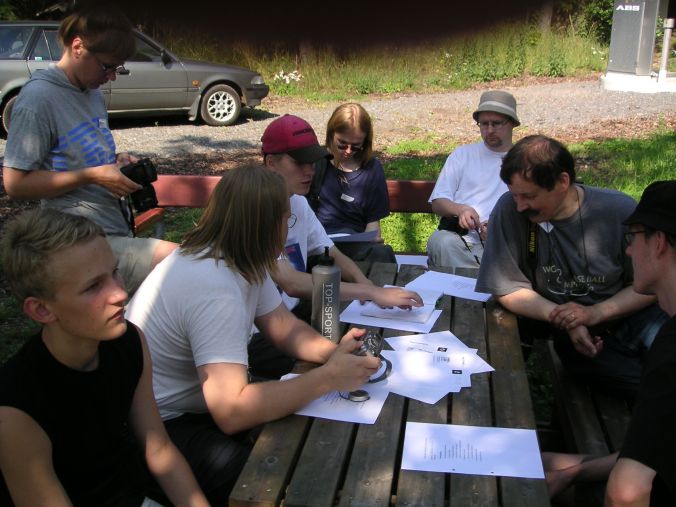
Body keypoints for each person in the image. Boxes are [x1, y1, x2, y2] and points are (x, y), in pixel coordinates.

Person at [126, 165, 382, 505]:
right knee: (273, 479)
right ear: (267, 224)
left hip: (194, 409)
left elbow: (283, 326)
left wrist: (332, 354)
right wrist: (328, 377)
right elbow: (232, 412)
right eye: (287, 219)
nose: (287, 227)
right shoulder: (213, 286)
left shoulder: (237, 257)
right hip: (161, 427)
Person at [0, 209, 209, 507]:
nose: (119, 294)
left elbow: (159, 449)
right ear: (42, 310)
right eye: (93, 286)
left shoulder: (127, 342)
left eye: (115, 272)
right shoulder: (16, 407)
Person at [1, 5, 176, 295]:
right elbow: (15, 184)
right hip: (76, 244)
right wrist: (92, 175)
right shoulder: (38, 99)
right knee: (181, 263)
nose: (112, 77)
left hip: (113, 230)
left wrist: (116, 161)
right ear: (78, 47)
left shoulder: (92, 92)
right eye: (108, 66)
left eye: (118, 68)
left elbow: (82, 156)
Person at [475, 135, 667, 397]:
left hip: (626, 317)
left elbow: (650, 286)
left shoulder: (618, 211)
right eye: (514, 195)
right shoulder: (509, 210)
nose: (519, 206)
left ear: (563, 182)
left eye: (529, 196)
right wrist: (568, 319)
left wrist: (596, 313)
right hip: (563, 331)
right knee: (585, 361)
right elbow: (506, 288)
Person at [543, 180, 676, 506]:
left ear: (659, 242)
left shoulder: (671, 351)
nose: (628, 250)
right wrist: (575, 470)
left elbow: (627, 492)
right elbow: (659, 448)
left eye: (633, 237)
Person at [261, 113, 423, 316]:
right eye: (300, 163)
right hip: (261, 327)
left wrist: (367, 285)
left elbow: (332, 252)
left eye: (312, 162)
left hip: (289, 315)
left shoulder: (298, 202)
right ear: (271, 163)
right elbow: (291, 283)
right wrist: (371, 292)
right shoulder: (253, 208)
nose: (310, 171)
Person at [426, 90, 517, 269]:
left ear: (512, 123)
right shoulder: (462, 155)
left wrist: (499, 229)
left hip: (505, 245)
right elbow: (438, 202)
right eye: (484, 124)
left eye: (496, 123)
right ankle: (483, 278)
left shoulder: (524, 160)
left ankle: (475, 278)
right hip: (460, 243)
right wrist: (462, 210)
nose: (489, 130)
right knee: (442, 241)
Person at [307, 103, 396, 263]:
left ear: (365, 142)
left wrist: (372, 240)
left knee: (381, 253)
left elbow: (373, 222)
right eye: (342, 144)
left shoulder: (371, 169)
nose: (348, 151)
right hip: (319, 243)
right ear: (331, 134)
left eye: (355, 146)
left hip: (355, 245)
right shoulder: (317, 162)